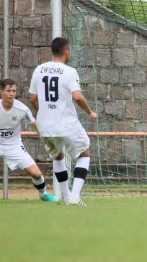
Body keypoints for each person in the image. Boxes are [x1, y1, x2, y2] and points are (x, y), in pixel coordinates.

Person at [29, 37, 98, 206]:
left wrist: (45, 112)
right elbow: (77, 96)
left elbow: (33, 99)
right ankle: (75, 196)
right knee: (84, 154)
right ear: (67, 51)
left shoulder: (38, 70)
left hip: (45, 125)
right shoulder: (69, 71)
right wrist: (90, 111)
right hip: (66, 122)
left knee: (58, 156)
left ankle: (66, 197)